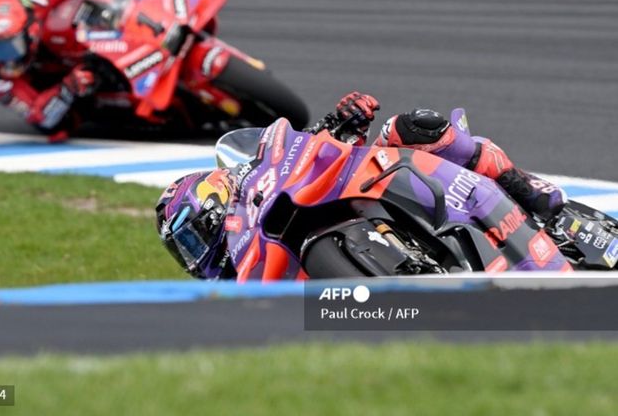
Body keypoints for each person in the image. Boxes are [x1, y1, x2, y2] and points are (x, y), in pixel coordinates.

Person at [155, 92, 567, 279]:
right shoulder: (229, 297)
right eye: (185, 250)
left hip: (348, 199)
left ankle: (522, 186)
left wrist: (340, 123)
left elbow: (305, 155)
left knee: (411, 129)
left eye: (191, 238)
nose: (195, 255)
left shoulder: (251, 202)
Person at [0, 0, 159, 142]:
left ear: (29, 32)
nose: (7, 58)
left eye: (11, 47)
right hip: (43, 80)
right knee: (55, 124)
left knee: (86, 2)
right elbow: (39, 116)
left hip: (38, 26)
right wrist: (68, 86)